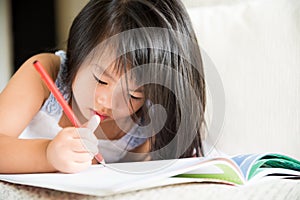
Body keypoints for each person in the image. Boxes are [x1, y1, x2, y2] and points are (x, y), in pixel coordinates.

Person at [0, 0, 206, 174]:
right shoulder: (46, 75)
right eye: (100, 80)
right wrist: (48, 154)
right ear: (77, 51)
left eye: (133, 95)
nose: (106, 101)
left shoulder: (146, 122)